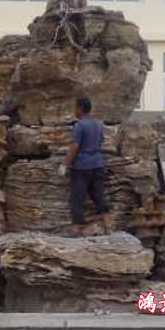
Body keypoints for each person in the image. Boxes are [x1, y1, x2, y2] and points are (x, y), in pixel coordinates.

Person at [63, 96, 111, 236]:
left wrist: (65, 163)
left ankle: (77, 229)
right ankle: (109, 225)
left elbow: (74, 146)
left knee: (78, 198)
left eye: (75, 107)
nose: (74, 110)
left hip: (81, 167)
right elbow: (101, 141)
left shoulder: (79, 126)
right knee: (99, 195)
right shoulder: (99, 124)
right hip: (97, 164)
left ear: (80, 108)